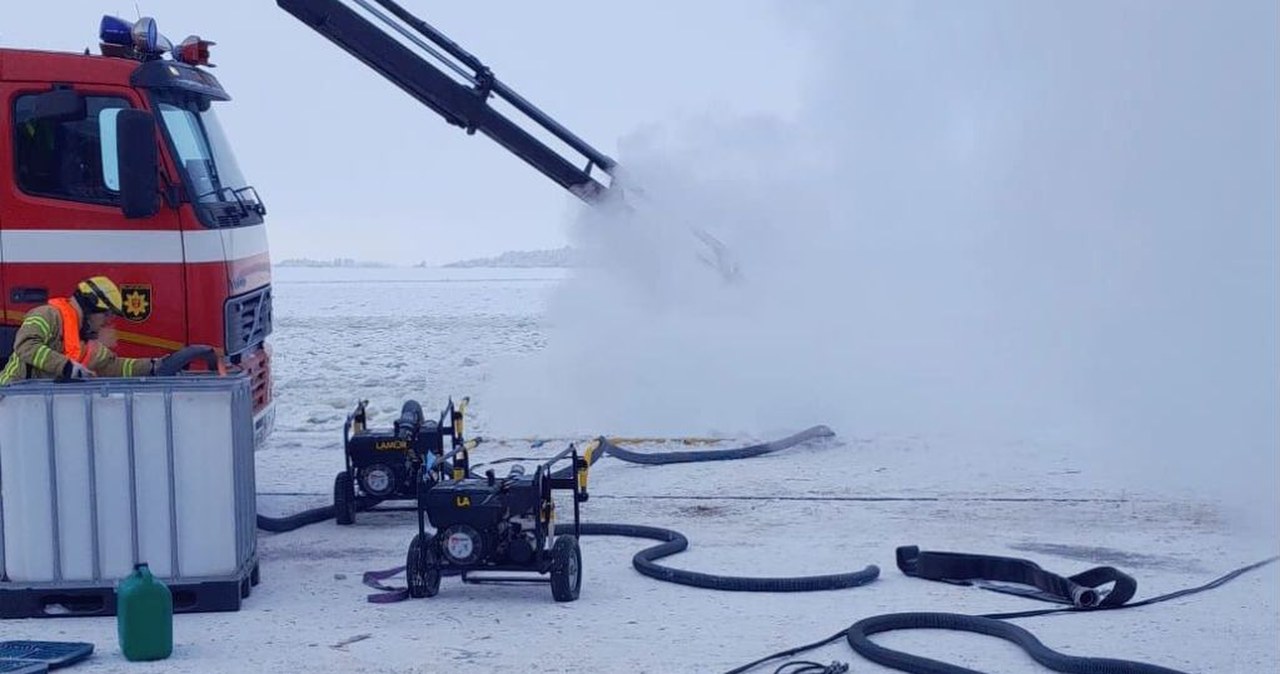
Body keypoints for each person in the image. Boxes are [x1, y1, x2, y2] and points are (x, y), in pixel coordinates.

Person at [0, 276, 160, 384]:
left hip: (37, 409)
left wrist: (152, 366)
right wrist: (67, 367)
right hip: (9, 404)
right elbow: (26, 346)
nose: (107, 322)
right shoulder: (47, 315)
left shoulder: (86, 342)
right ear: (90, 307)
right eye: (106, 315)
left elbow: (113, 366)